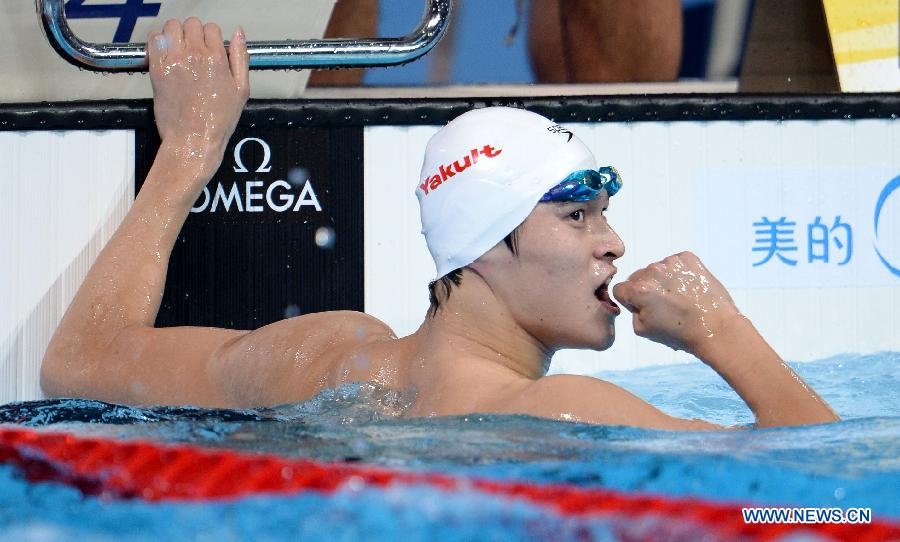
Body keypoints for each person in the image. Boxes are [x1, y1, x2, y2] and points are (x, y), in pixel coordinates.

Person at [40, 19, 838, 430]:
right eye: (577, 214)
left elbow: (78, 363)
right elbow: (830, 516)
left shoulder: (322, 359)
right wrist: (722, 331)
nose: (614, 241)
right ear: (487, 243)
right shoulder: (563, 411)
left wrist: (189, 150)